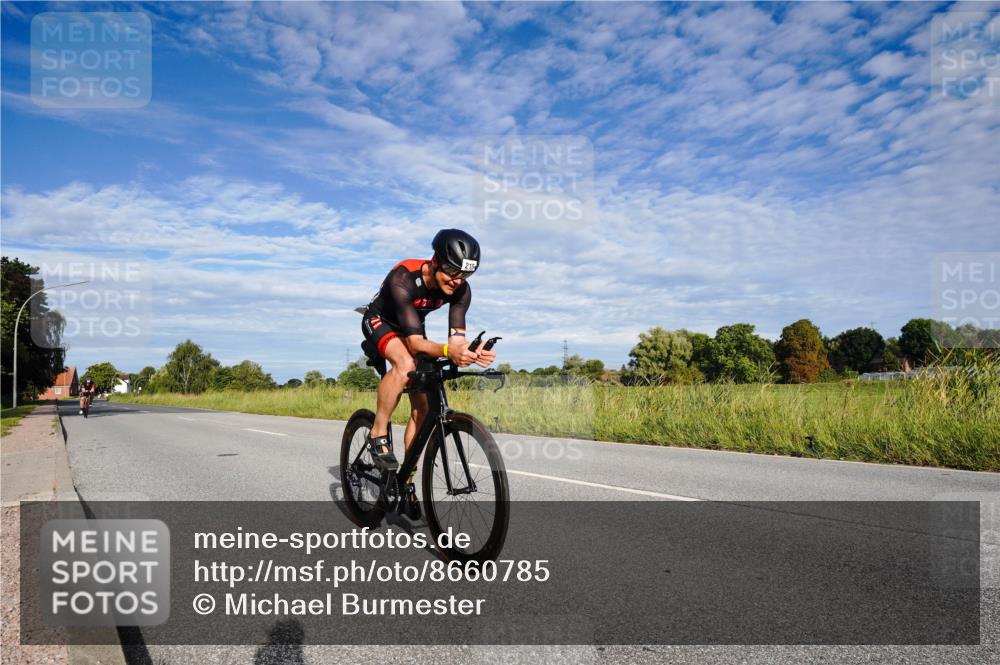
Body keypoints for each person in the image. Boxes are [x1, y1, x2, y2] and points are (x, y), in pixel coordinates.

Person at [360, 229, 497, 519]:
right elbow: (413, 345)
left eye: (464, 275)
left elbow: (455, 340)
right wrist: (448, 349)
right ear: (435, 261)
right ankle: (378, 430)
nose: (456, 280)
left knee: (422, 410)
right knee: (405, 364)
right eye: (451, 271)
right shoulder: (403, 278)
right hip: (380, 321)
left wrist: (470, 353)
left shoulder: (460, 289)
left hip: (413, 328)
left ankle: (405, 479)